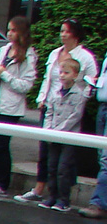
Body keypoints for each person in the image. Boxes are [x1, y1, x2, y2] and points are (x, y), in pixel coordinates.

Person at [20, 18, 98, 204]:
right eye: (61, 30)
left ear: (75, 35)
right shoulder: (55, 53)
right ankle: (45, 190)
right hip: (52, 104)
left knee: (65, 159)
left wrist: (82, 96)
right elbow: (48, 78)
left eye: (66, 31)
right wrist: (42, 98)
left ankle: (63, 196)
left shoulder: (85, 56)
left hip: (71, 106)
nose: (62, 34)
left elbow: (92, 81)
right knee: (47, 153)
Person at [0, 16, 37, 198]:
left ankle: (2, 184)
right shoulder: (4, 50)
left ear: (21, 33)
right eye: (8, 30)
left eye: (13, 30)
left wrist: (6, 76)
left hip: (11, 107)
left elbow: (26, 85)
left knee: (2, 145)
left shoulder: (28, 55)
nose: (9, 34)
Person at [28, 56, 89, 210]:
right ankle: (52, 196)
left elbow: (75, 116)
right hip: (53, 136)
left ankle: (64, 200)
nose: (62, 75)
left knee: (63, 169)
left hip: (68, 137)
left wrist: (59, 130)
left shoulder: (79, 94)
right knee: (52, 166)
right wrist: (48, 130)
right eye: (61, 72)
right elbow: (49, 112)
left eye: (66, 72)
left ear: (75, 75)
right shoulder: (55, 93)